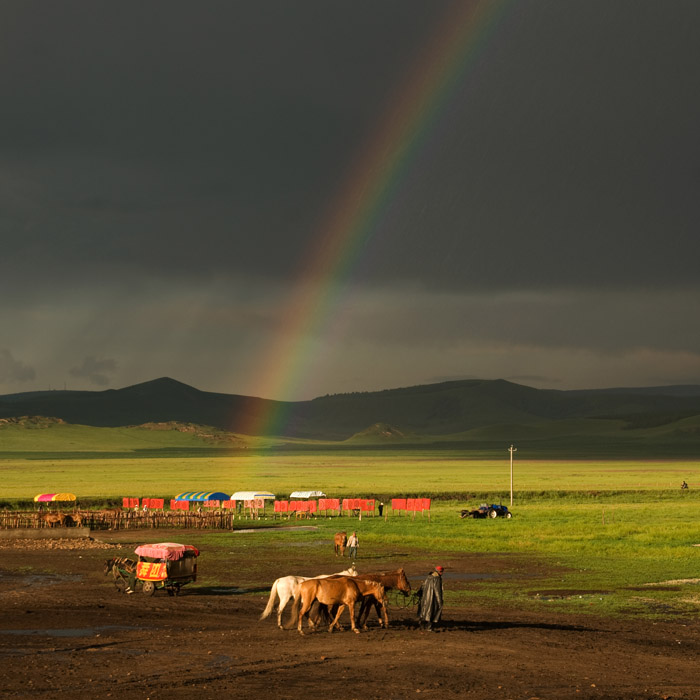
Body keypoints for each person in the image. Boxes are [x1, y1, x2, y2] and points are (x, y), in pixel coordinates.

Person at [417, 565, 444, 631]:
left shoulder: (429, 577)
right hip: (432, 599)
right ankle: (428, 626)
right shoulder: (437, 579)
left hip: (425, 598)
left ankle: (422, 624)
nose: (442, 573)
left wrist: (419, 593)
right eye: (441, 571)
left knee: (424, 611)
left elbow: (423, 586)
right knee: (432, 611)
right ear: (437, 571)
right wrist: (440, 601)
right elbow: (437, 590)